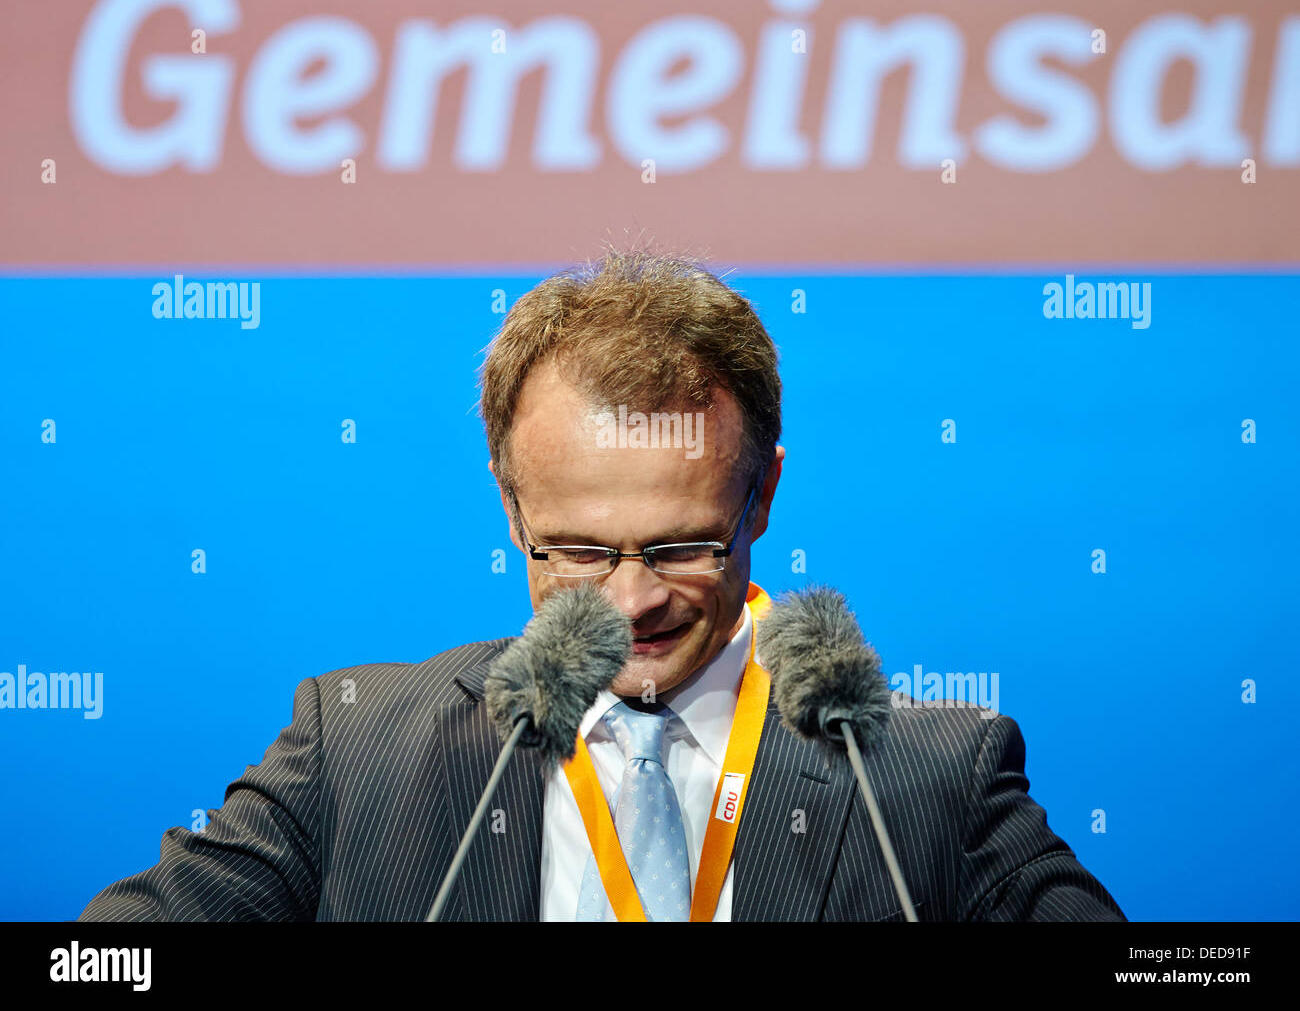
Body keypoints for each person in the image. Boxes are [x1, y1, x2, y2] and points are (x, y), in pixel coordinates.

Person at [79, 247, 1125, 922]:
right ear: (510, 508)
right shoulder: (355, 749)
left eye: (680, 547)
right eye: (576, 550)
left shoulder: (929, 775)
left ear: (760, 495)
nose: (631, 602)